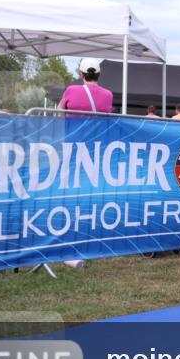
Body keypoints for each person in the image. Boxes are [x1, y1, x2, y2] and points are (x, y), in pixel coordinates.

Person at [57, 58, 114, 268]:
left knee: (69, 196)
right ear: (98, 75)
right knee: (90, 196)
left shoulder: (71, 90)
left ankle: (70, 247)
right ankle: (88, 241)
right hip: (96, 151)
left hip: (72, 151)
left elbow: (60, 114)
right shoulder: (108, 95)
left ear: (81, 74)